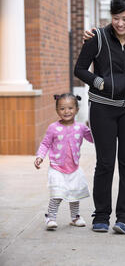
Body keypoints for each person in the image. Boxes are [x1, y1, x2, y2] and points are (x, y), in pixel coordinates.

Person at [74, 0, 125, 235]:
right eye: (116, 18)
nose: (120, 23)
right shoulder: (97, 37)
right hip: (102, 108)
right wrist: (99, 82)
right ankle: (102, 215)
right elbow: (80, 69)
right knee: (105, 163)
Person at [34, 93, 93, 230]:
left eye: (70, 108)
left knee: (75, 194)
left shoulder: (81, 128)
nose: (66, 111)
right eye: (62, 108)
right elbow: (45, 144)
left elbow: (93, 138)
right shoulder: (53, 128)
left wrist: (97, 128)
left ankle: (75, 217)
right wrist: (40, 157)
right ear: (57, 110)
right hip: (57, 167)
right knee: (57, 194)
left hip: (74, 168)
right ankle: (51, 218)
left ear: (77, 109)